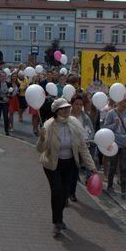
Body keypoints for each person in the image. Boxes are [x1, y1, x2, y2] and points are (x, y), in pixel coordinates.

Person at [37, 98, 97, 236]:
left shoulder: (74, 123)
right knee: (57, 191)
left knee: (64, 194)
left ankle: (60, 216)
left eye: (68, 108)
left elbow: (82, 147)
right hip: (52, 164)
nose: (67, 110)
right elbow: (40, 149)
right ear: (57, 111)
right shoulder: (49, 125)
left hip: (69, 163)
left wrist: (91, 167)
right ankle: (57, 222)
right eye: (64, 108)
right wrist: (41, 139)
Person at [103, 97, 126, 201]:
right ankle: (110, 187)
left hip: (125, 144)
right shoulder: (111, 113)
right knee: (113, 166)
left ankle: (124, 191)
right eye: (123, 102)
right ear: (117, 102)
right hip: (114, 143)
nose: (125, 104)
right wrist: (115, 124)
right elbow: (105, 127)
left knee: (123, 168)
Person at [70, 94, 96, 196]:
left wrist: (88, 139)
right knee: (70, 172)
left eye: (80, 105)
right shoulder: (67, 116)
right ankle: (67, 193)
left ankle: (72, 193)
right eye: (76, 104)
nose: (78, 107)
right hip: (69, 148)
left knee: (75, 171)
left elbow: (91, 131)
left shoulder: (85, 117)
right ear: (72, 104)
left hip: (81, 146)